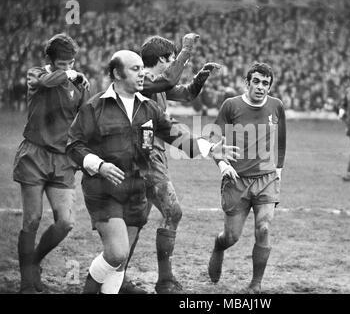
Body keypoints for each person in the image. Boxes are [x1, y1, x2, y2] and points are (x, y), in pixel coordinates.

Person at [66, 50, 238, 294]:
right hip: (105, 191)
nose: (142, 73)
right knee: (117, 253)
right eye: (135, 69)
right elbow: (74, 145)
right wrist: (99, 165)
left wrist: (210, 148)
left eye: (141, 68)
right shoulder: (95, 108)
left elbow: (176, 134)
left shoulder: (149, 108)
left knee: (118, 261)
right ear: (117, 73)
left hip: (137, 189)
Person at [131, 34, 221, 294]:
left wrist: (201, 76)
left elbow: (187, 93)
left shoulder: (155, 85)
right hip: (145, 156)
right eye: (171, 58)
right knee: (173, 212)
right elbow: (171, 80)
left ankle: (121, 278)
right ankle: (165, 280)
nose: (173, 63)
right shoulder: (144, 81)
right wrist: (187, 49)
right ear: (162, 59)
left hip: (153, 155)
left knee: (136, 220)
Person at [13, 33, 89, 294]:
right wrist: (69, 75)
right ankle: (26, 283)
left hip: (62, 160)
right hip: (34, 155)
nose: (68, 68)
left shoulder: (78, 84)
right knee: (32, 220)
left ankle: (32, 263)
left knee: (66, 222)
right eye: (62, 64)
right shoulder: (36, 75)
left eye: (71, 63)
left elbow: (85, 119)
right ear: (50, 61)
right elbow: (47, 81)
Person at [207, 62, 286, 293]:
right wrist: (222, 165)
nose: (261, 87)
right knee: (231, 237)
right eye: (257, 82)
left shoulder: (276, 106)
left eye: (266, 83)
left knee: (264, 228)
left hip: (267, 179)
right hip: (236, 180)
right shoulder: (231, 106)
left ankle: (256, 284)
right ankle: (218, 247)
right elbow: (214, 140)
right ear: (247, 83)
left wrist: (278, 171)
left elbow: (281, 142)